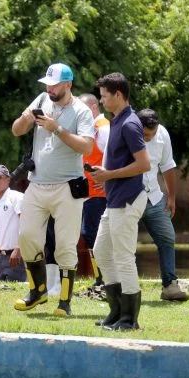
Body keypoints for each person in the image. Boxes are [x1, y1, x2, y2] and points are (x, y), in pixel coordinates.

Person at [10, 63, 94, 317]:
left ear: (68, 84)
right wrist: (26, 119)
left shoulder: (81, 112)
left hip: (67, 186)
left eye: (54, 84)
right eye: (47, 83)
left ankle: (65, 303)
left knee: (65, 246)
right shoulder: (42, 99)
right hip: (37, 183)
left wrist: (56, 128)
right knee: (26, 236)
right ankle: (38, 291)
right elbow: (16, 130)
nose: (50, 88)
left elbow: (86, 148)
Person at [90, 72, 150, 330]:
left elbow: (144, 164)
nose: (101, 100)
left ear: (118, 94)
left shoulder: (130, 124)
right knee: (102, 252)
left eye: (104, 96)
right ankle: (116, 312)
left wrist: (110, 175)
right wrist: (105, 177)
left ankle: (130, 319)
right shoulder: (115, 121)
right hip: (114, 199)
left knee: (124, 257)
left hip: (128, 200)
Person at [137, 108, 189, 301]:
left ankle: (170, 286)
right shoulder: (127, 133)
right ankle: (118, 288)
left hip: (154, 197)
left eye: (152, 134)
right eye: (145, 135)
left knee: (167, 238)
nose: (149, 138)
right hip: (129, 197)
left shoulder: (162, 134)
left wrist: (172, 197)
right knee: (121, 244)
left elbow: (167, 165)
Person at [78, 93, 111, 287]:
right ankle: (101, 278)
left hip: (100, 194)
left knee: (93, 234)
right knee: (91, 235)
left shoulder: (103, 128)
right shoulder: (91, 130)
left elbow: (116, 156)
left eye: (83, 110)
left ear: (92, 108)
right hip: (89, 193)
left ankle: (103, 279)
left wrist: (109, 179)